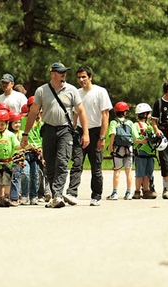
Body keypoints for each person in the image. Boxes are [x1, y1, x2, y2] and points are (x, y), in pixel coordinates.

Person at [20, 62, 90, 208]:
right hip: (48, 130)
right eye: (60, 72)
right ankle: (55, 194)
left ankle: (57, 194)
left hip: (66, 130)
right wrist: (25, 133)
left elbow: (81, 111)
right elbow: (33, 112)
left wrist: (86, 133)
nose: (63, 74)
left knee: (62, 162)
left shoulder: (71, 90)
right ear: (52, 74)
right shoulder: (41, 91)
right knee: (50, 165)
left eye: (65, 71)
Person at [66, 66, 112, 206]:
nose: (81, 80)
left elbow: (105, 115)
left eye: (84, 77)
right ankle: (72, 193)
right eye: (79, 77)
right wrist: (72, 129)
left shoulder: (100, 92)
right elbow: (75, 114)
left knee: (96, 166)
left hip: (96, 131)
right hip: (80, 131)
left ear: (90, 77)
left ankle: (96, 195)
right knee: (77, 163)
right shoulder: (77, 93)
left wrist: (102, 137)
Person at [106, 102, 134, 200]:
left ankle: (115, 193)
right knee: (128, 171)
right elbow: (134, 136)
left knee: (117, 170)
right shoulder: (130, 123)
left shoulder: (114, 122)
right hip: (128, 148)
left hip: (117, 148)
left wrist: (110, 146)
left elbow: (113, 134)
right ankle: (129, 192)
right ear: (125, 112)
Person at [132, 103, 157, 199]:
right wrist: (141, 141)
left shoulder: (150, 126)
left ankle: (146, 190)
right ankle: (137, 191)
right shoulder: (136, 125)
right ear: (145, 114)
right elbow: (134, 138)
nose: (150, 115)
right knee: (140, 172)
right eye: (149, 113)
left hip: (150, 151)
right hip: (141, 151)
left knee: (148, 173)